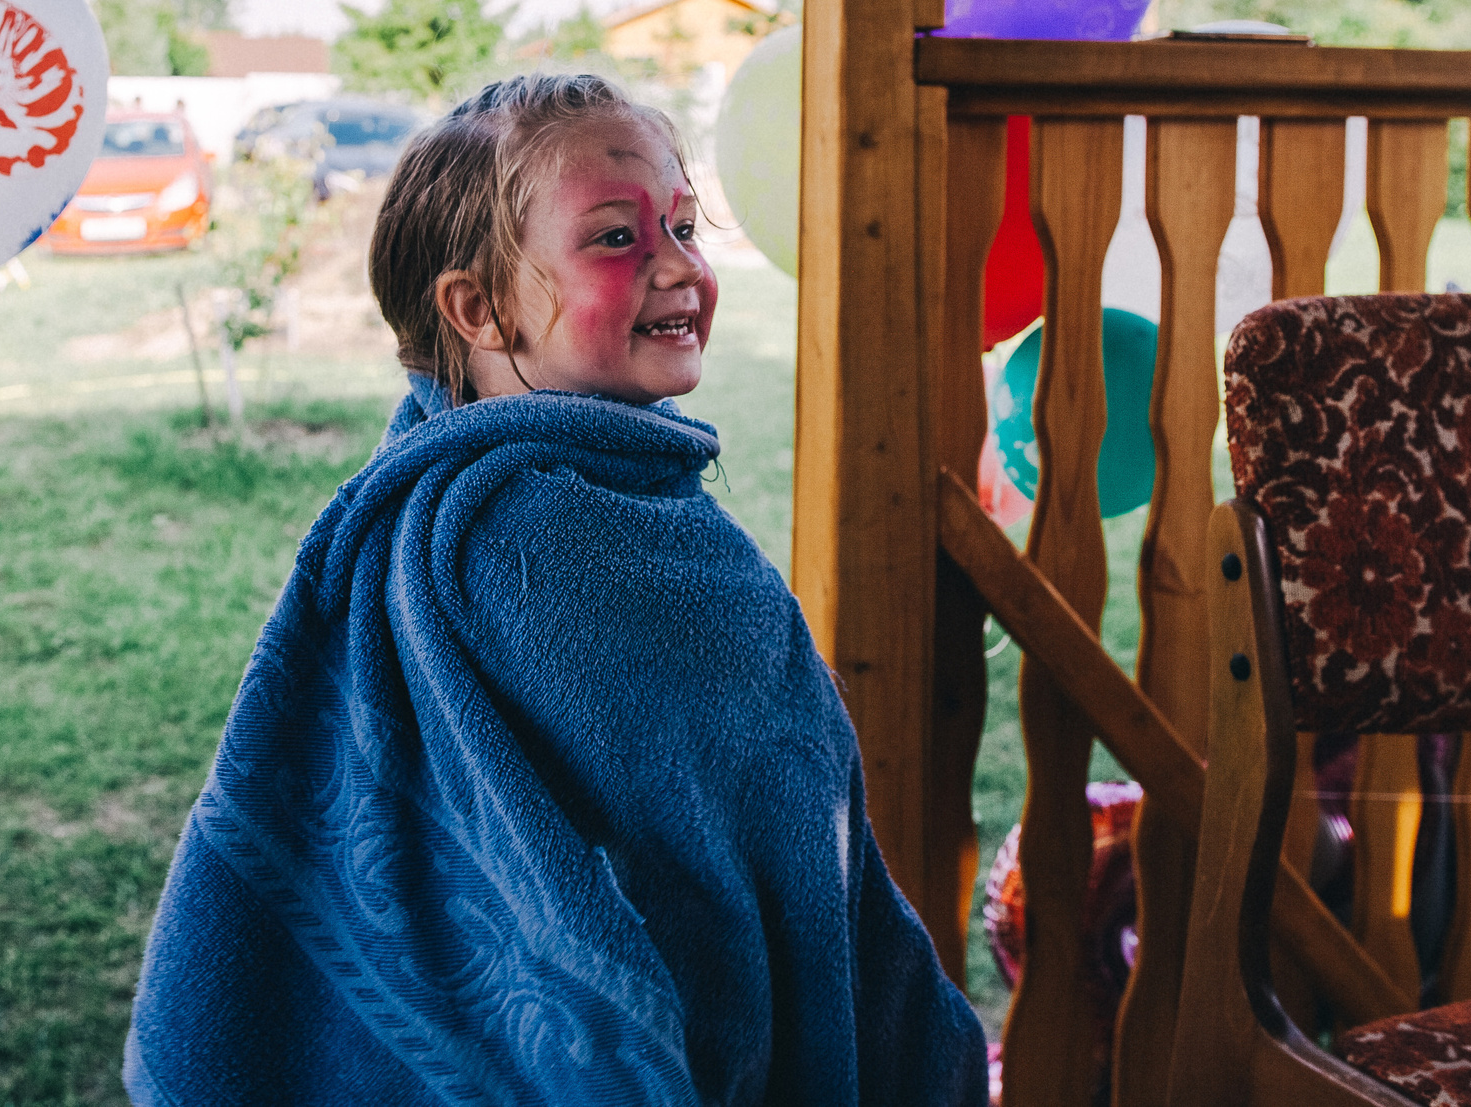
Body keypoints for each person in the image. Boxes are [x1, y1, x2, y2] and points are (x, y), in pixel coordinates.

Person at [124, 74, 986, 1105]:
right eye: (617, 238)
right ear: (477, 308)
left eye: (683, 226)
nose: (680, 265)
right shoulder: (540, 544)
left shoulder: (494, 497)